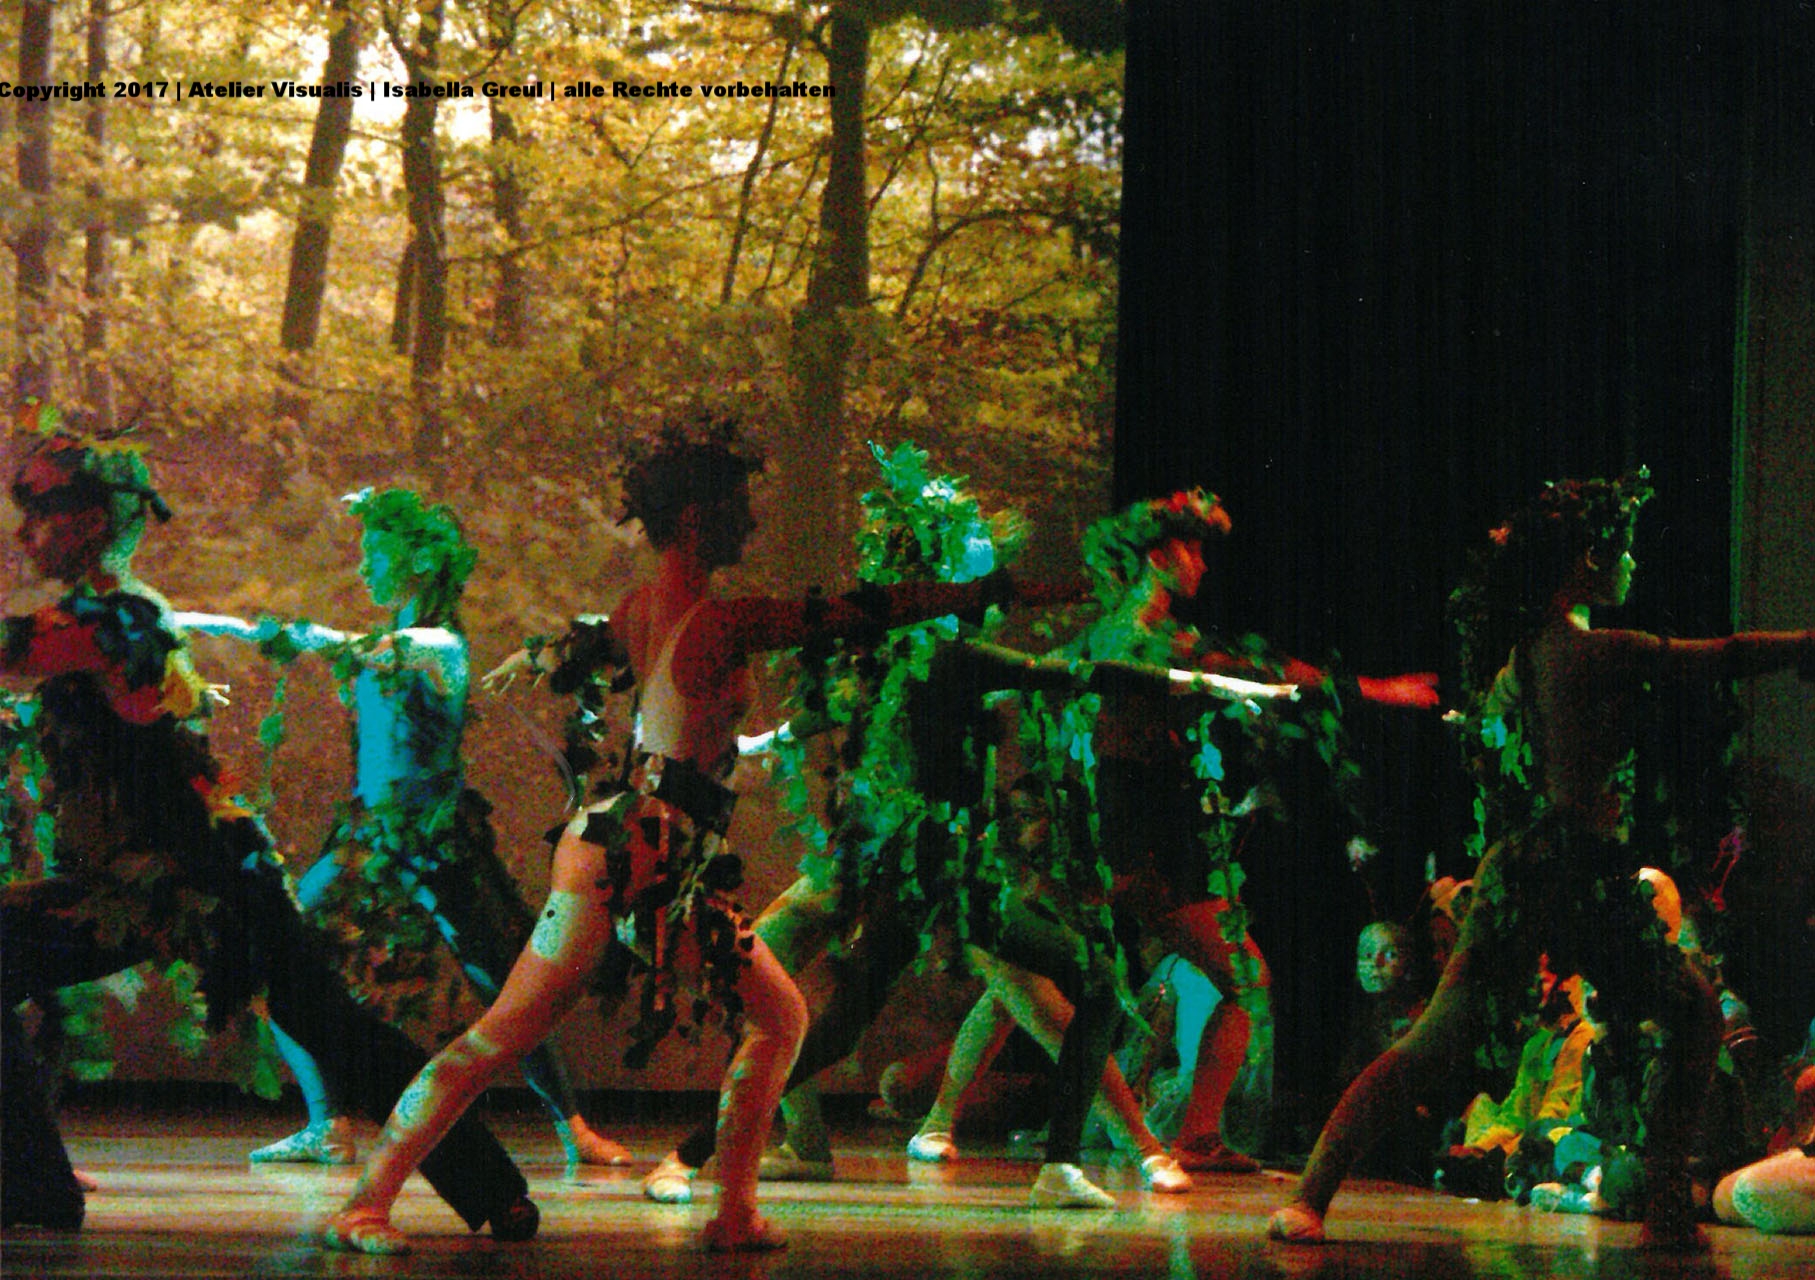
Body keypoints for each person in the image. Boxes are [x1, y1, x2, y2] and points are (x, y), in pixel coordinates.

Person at [320, 423, 1070, 1254]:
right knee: (511, 1037)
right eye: (735, 508)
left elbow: (607, 657)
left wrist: (545, 653)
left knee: (771, 1018)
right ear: (691, 520)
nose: (749, 524)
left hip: (645, 854)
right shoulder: (720, 622)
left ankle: (733, 1211)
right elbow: (860, 612)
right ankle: (366, 1206)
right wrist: (986, 591)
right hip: (636, 855)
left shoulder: (643, 606)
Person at [0, 421, 534, 1238]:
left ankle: (495, 1190)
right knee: (330, 1023)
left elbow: (24, 652)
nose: (27, 536)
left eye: (41, 517)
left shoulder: (116, 621)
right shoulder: (106, 616)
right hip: (152, 876)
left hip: (196, 876)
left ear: (93, 522)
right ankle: (33, 1187)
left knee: (334, 1027)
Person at [1268, 469, 1815, 1249]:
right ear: (1588, 558)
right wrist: (1802, 645)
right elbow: (1721, 653)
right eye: (1620, 550)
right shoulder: (1583, 652)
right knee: (1450, 1039)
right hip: (1553, 873)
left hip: (1553, 871)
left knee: (1685, 1010)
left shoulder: (1521, 663)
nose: (1630, 564)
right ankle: (1313, 1193)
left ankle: (1660, 1206)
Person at [178, 487, 626, 1168]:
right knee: (277, 951)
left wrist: (229, 625)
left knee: (506, 982)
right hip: (369, 836)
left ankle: (575, 1130)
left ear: (416, 564)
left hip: (435, 839)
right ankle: (328, 1123)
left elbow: (345, 647)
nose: (361, 570)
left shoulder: (436, 645)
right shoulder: (398, 642)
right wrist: (203, 624)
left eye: (373, 555)